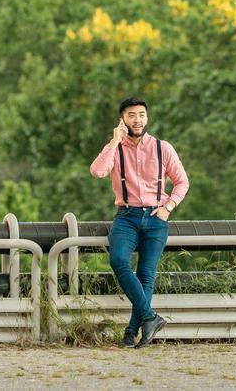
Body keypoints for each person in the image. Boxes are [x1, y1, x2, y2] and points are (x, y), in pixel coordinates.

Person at [88, 96, 190, 347]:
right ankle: (150, 317)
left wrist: (168, 207)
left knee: (146, 275)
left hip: (156, 217)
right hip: (127, 216)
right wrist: (114, 140)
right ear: (122, 119)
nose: (138, 119)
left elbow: (182, 182)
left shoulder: (162, 147)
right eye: (132, 115)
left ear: (147, 118)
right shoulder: (115, 148)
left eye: (142, 114)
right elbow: (98, 171)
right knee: (118, 260)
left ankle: (131, 332)